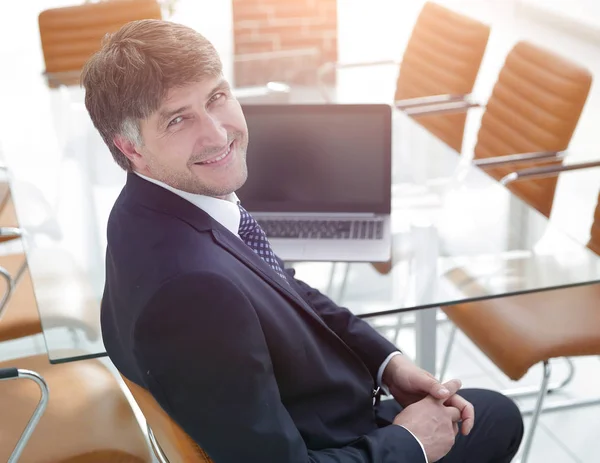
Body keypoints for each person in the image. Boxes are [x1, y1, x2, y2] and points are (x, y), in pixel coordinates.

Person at [82, 19, 524, 462]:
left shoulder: (150, 207)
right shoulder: (191, 292)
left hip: (310, 408)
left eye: (216, 97)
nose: (218, 134)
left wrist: (388, 364)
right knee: (497, 416)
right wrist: (410, 444)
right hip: (331, 441)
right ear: (130, 147)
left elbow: (284, 286)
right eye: (178, 119)